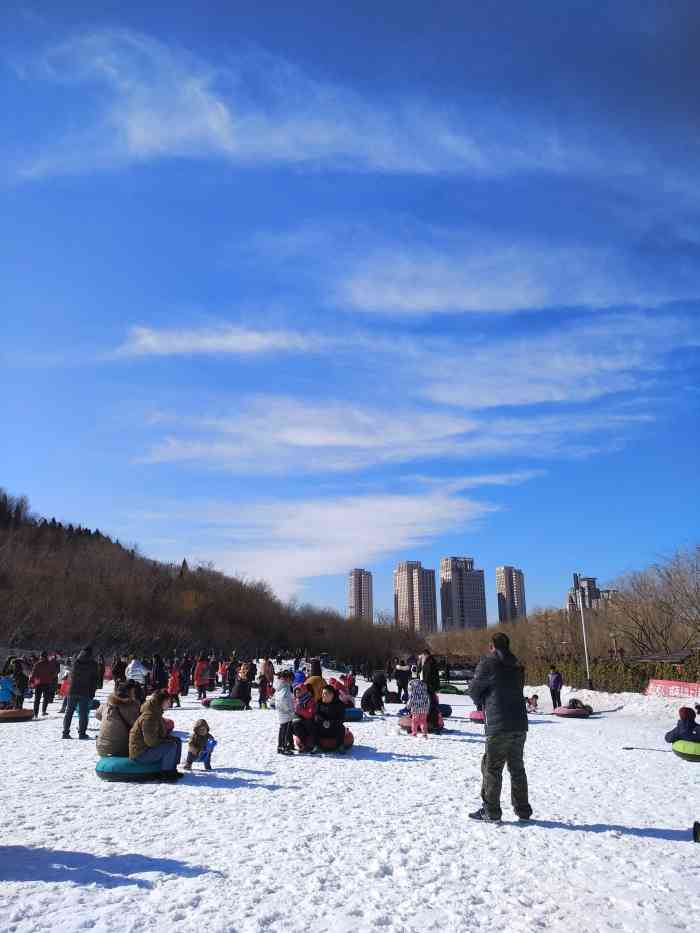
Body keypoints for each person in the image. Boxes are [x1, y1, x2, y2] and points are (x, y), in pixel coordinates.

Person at [467, 632, 532, 823]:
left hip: (498, 723)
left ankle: (491, 810)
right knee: (517, 767)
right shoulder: (517, 664)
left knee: (492, 767)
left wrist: (480, 701)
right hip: (519, 722)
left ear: (492, 646)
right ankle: (523, 809)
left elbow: (474, 690)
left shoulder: (488, 663)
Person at [129, 688, 183, 778]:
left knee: (176, 741)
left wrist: (167, 738)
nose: (170, 703)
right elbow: (151, 742)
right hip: (140, 753)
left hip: (146, 748)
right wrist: (165, 741)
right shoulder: (149, 717)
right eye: (168, 701)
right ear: (162, 701)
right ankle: (166, 773)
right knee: (170, 746)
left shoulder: (156, 712)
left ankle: (173, 767)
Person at [62, 645, 100, 740]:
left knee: (69, 712)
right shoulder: (93, 664)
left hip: (72, 690)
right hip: (85, 691)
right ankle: (82, 733)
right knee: (83, 713)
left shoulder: (75, 662)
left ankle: (65, 732)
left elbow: (71, 675)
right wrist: (92, 693)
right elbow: (94, 680)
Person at [95, 681, 141, 757]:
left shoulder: (107, 704)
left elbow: (97, 715)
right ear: (130, 693)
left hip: (101, 748)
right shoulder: (131, 707)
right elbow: (138, 725)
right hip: (119, 749)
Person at [312, 684, 346, 751]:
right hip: (322, 727)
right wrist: (324, 721)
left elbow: (341, 718)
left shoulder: (339, 704)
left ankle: (340, 746)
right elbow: (316, 714)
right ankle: (316, 745)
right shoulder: (319, 703)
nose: (323, 695)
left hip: (334, 728)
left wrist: (331, 722)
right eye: (322, 693)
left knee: (342, 728)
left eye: (325, 694)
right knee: (313, 726)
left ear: (331, 695)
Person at [292, 682, 316, 751]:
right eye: (296, 692)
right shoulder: (296, 700)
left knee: (307, 724)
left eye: (299, 692)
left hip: (309, 721)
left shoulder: (310, 700)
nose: (297, 694)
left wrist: (300, 711)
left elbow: (310, 714)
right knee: (295, 724)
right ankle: (301, 743)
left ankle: (309, 743)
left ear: (304, 692)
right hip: (299, 721)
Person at [406, 668, 430, 738]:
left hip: (415, 707)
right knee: (423, 721)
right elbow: (427, 697)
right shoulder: (424, 685)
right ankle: (424, 733)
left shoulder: (411, 684)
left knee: (415, 721)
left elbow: (411, 697)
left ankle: (414, 733)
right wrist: (427, 707)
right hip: (424, 707)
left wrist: (408, 706)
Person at [30, 651, 55, 718]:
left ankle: (36, 713)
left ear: (41, 656)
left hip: (38, 682)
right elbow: (53, 673)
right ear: (46, 656)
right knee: (46, 698)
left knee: (37, 699)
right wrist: (50, 678)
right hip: (47, 682)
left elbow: (33, 674)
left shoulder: (37, 664)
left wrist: (31, 682)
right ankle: (43, 711)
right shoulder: (50, 664)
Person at [275, 671, 295, 755]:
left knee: (283, 729)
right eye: (292, 680)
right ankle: (283, 747)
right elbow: (284, 700)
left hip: (282, 712)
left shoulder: (281, 686)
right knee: (285, 730)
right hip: (286, 713)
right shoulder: (285, 688)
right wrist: (289, 710)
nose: (292, 682)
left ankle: (283, 746)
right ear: (287, 679)